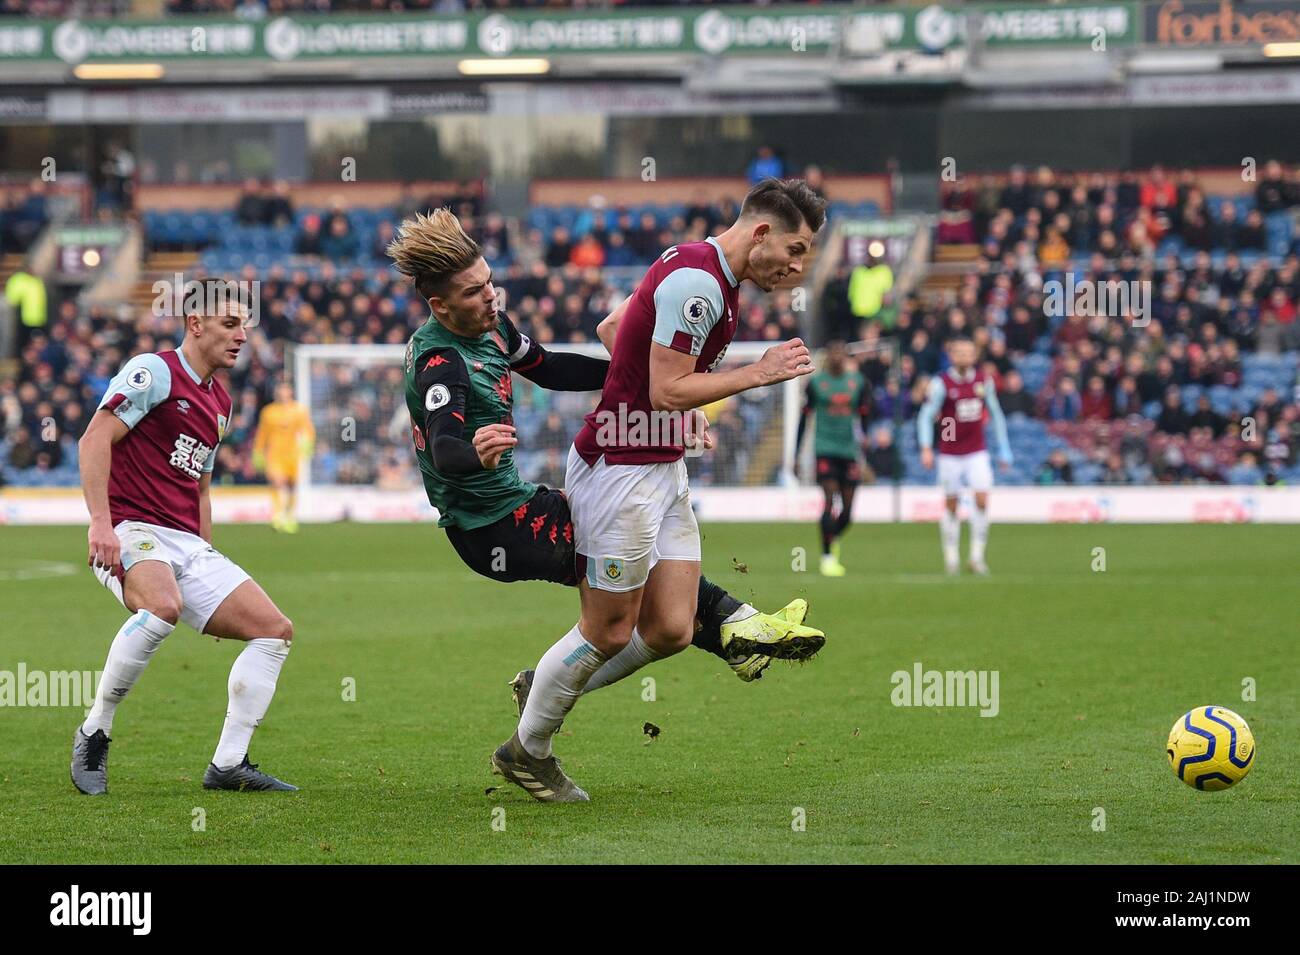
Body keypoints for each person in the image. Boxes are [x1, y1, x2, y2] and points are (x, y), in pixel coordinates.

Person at [388, 208, 825, 690]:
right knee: (616, 590)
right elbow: (445, 448)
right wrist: (476, 452)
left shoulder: (490, 327)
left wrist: (631, 376)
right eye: (473, 292)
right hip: (493, 528)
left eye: (489, 282)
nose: (491, 297)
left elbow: (547, 367)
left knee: (663, 615)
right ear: (440, 306)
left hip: (514, 506)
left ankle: (733, 632)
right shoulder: (441, 361)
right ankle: (733, 624)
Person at [496, 178, 828, 801]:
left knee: (674, 626)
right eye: (797, 247)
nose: (797, 265)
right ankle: (526, 751)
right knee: (608, 631)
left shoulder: (698, 268)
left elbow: (612, 326)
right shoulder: (700, 284)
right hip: (620, 470)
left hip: (658, 465)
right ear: (762, 232)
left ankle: (543, 685)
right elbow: (664, 390)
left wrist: (676, 407)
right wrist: (756, 373)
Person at [73, 283, 296, 796]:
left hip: (186, 543)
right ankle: (95, 730)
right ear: (195, 324)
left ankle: (228, 765)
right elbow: (94, 438)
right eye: (229, 325)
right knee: (162, 609)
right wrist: (101, 524)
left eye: (245, 326)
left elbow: (200, 486)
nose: (242, 336)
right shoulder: (153, 372)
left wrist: (210, 565)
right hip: (132, 529)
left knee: (274, 631)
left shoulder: (220, 400)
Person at [916, 338, 1013, 576]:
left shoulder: (983, 381)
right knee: (952, 505)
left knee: (981, 500)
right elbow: (926, 415)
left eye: (969, 353)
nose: (964, 357)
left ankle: (977, 557)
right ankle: (951, 557)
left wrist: (1004, 448)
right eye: (959, 353)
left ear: (975, 356)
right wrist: (926, 446)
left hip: (976, 451)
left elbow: (996, 413)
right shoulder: (942, 383)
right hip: (949, 453)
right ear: (952, 356)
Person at [795, 340, 870, 576]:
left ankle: (831, 537)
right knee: (829, 501)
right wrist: (796, 455)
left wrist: (865, 448)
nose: (836, 356)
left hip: (848, 450)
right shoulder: (816, 384)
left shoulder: (858, 383)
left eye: (841, 352)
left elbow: (865, 416)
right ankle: (827, 556)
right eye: (833, 352)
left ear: (846, 357)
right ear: (827, 356)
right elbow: (803, 419)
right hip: (824, 448)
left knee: (847, 512)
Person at [252, 380, 315, 533]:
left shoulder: (299, 410)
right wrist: (258, 451)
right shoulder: (268, 411)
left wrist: (308, 443)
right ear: (276, 393)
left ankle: (290, 515)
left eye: (285, 390)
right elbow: (262, 433)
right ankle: (278, 515)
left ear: (290, 392)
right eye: (280, 390)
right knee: (277, 483)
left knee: (292, 485)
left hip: (293, 453)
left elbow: (308, 429)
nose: (283, 393)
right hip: (274, 453)